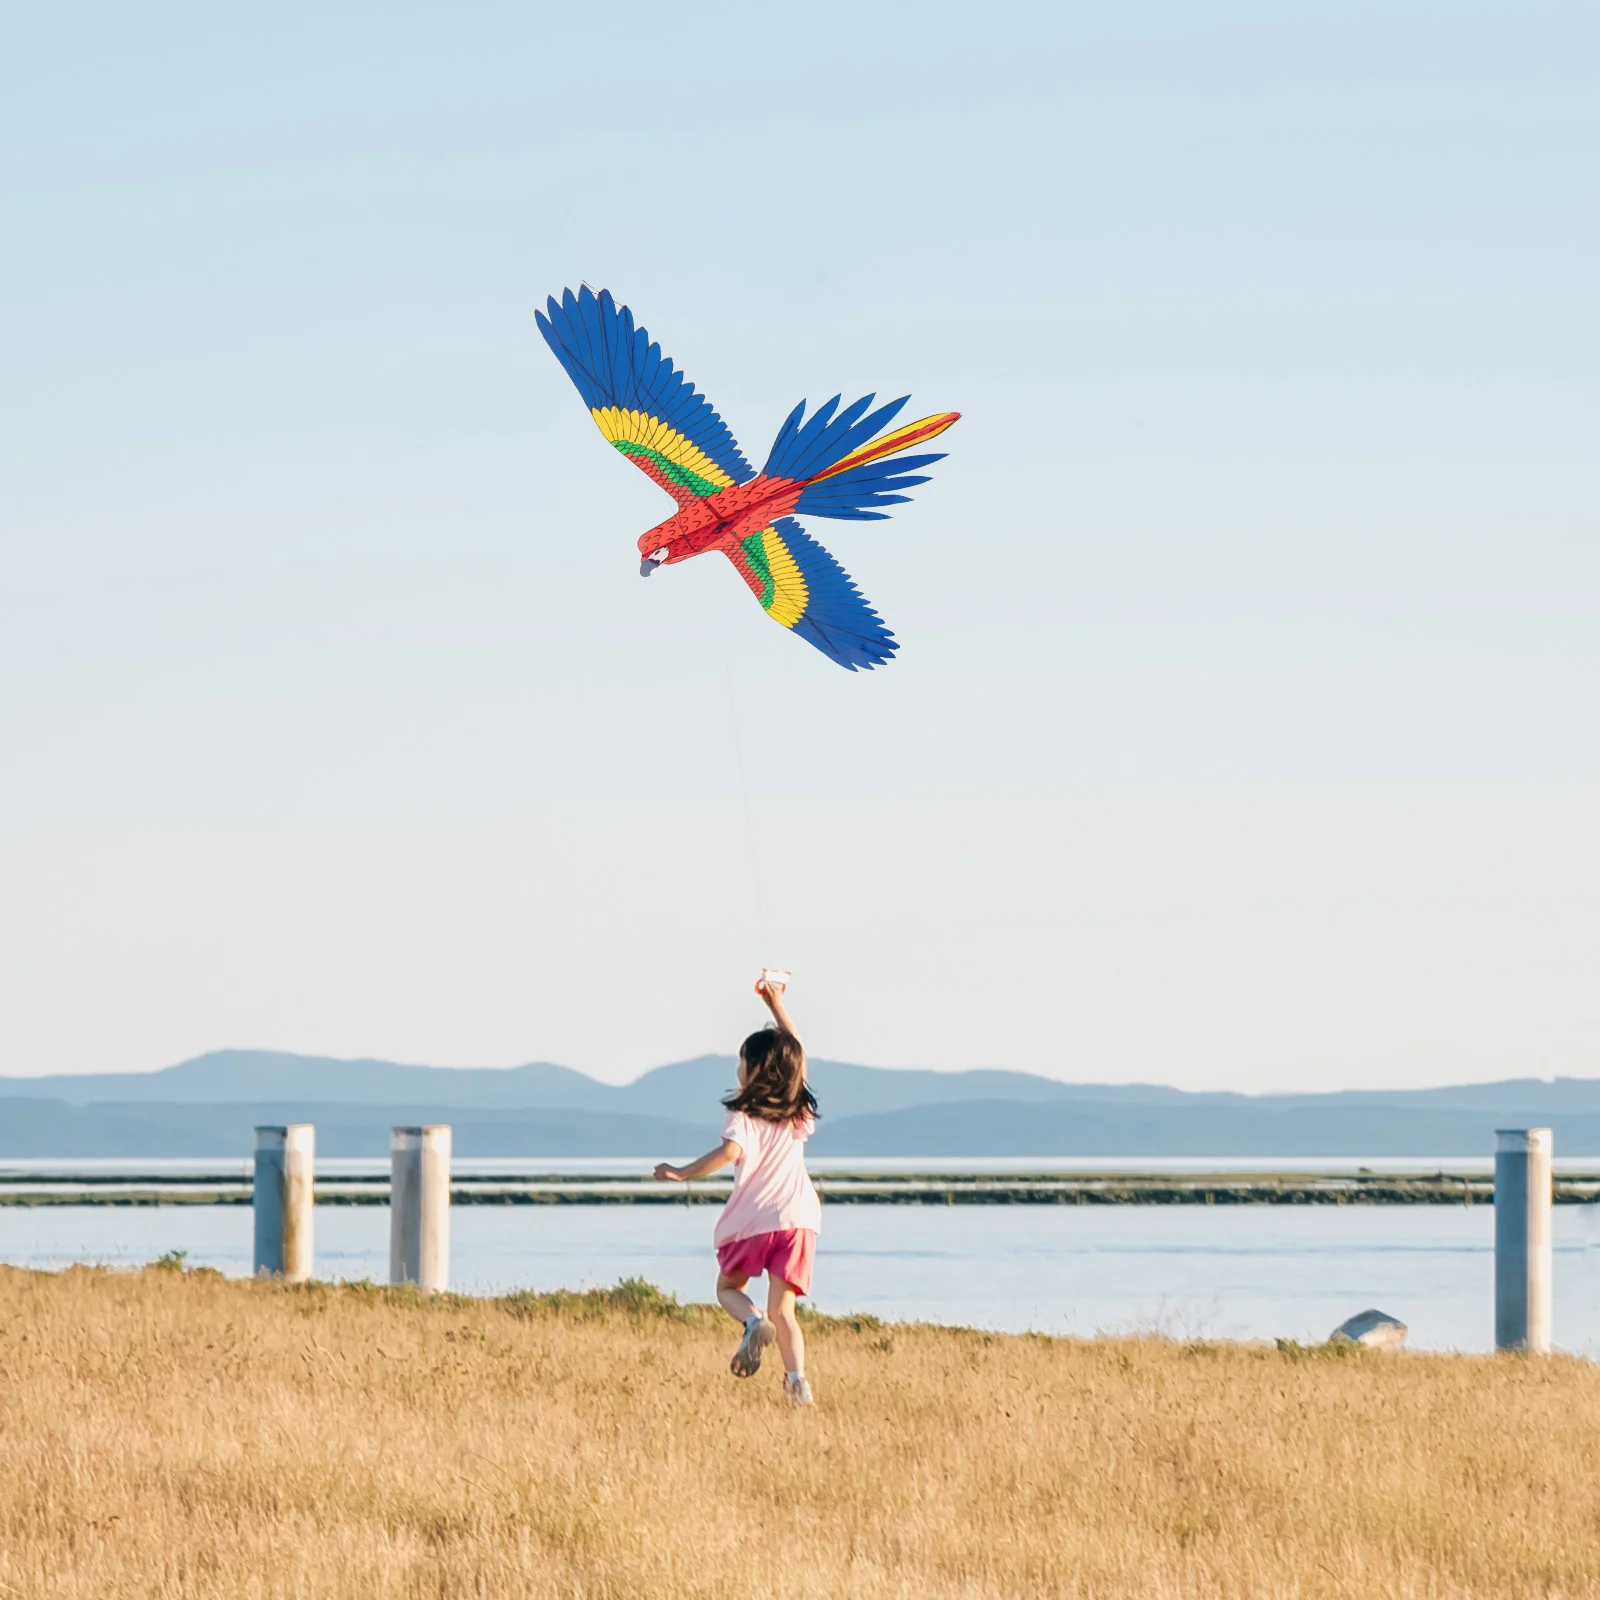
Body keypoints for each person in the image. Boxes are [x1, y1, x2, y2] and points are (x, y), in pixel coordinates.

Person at [654, 975, 820, 1406]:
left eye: (741, 1061)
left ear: (755, 1071)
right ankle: (798, 1383)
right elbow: (797, 1053)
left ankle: (750, 1323)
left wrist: (680, 1173)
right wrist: (776, 1004)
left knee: (728, 1289)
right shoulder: (797, 1112)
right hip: (799, 1219)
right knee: (787, 1313)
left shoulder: (743, 1113)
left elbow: (730, 1152)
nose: (737, 1067)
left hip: (753, 1222)